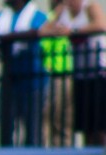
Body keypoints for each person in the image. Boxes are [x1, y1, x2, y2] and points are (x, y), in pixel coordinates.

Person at [0, 0, 50, 147]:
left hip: (32, 81)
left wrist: (4, 38)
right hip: (9, 81)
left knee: (32, 129)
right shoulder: (2, 16)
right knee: (6, 127)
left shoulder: (36, 15)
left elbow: (38, 31)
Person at [42, 0, 106, 146]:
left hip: (98, 71)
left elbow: (101, 25)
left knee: (100, 123)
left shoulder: (89, 6)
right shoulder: (63, 11)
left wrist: (73, 32)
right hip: (79, 74)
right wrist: (57, 13)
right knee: (86, 124)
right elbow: (44, 30)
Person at [39, 0, 75, 147]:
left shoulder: (69, 21)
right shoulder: (48, 19)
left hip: (65, 74)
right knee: (48, 116)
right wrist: (56, 14)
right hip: (51, 74)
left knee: (63, 117)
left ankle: (63, 148)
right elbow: (42, 33)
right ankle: (47, 148)